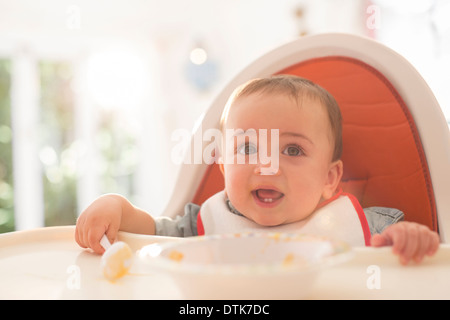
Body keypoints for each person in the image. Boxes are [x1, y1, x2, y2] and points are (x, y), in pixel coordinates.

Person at [75, 75, 440, 265]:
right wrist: (119, 209)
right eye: (248, 148)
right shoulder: (206, 224)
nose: (268, 167)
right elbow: (152, 236)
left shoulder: (365, 225)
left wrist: (410, 243)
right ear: (222, 162)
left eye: (293, 150)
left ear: (330, 179)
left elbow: (418, 266)